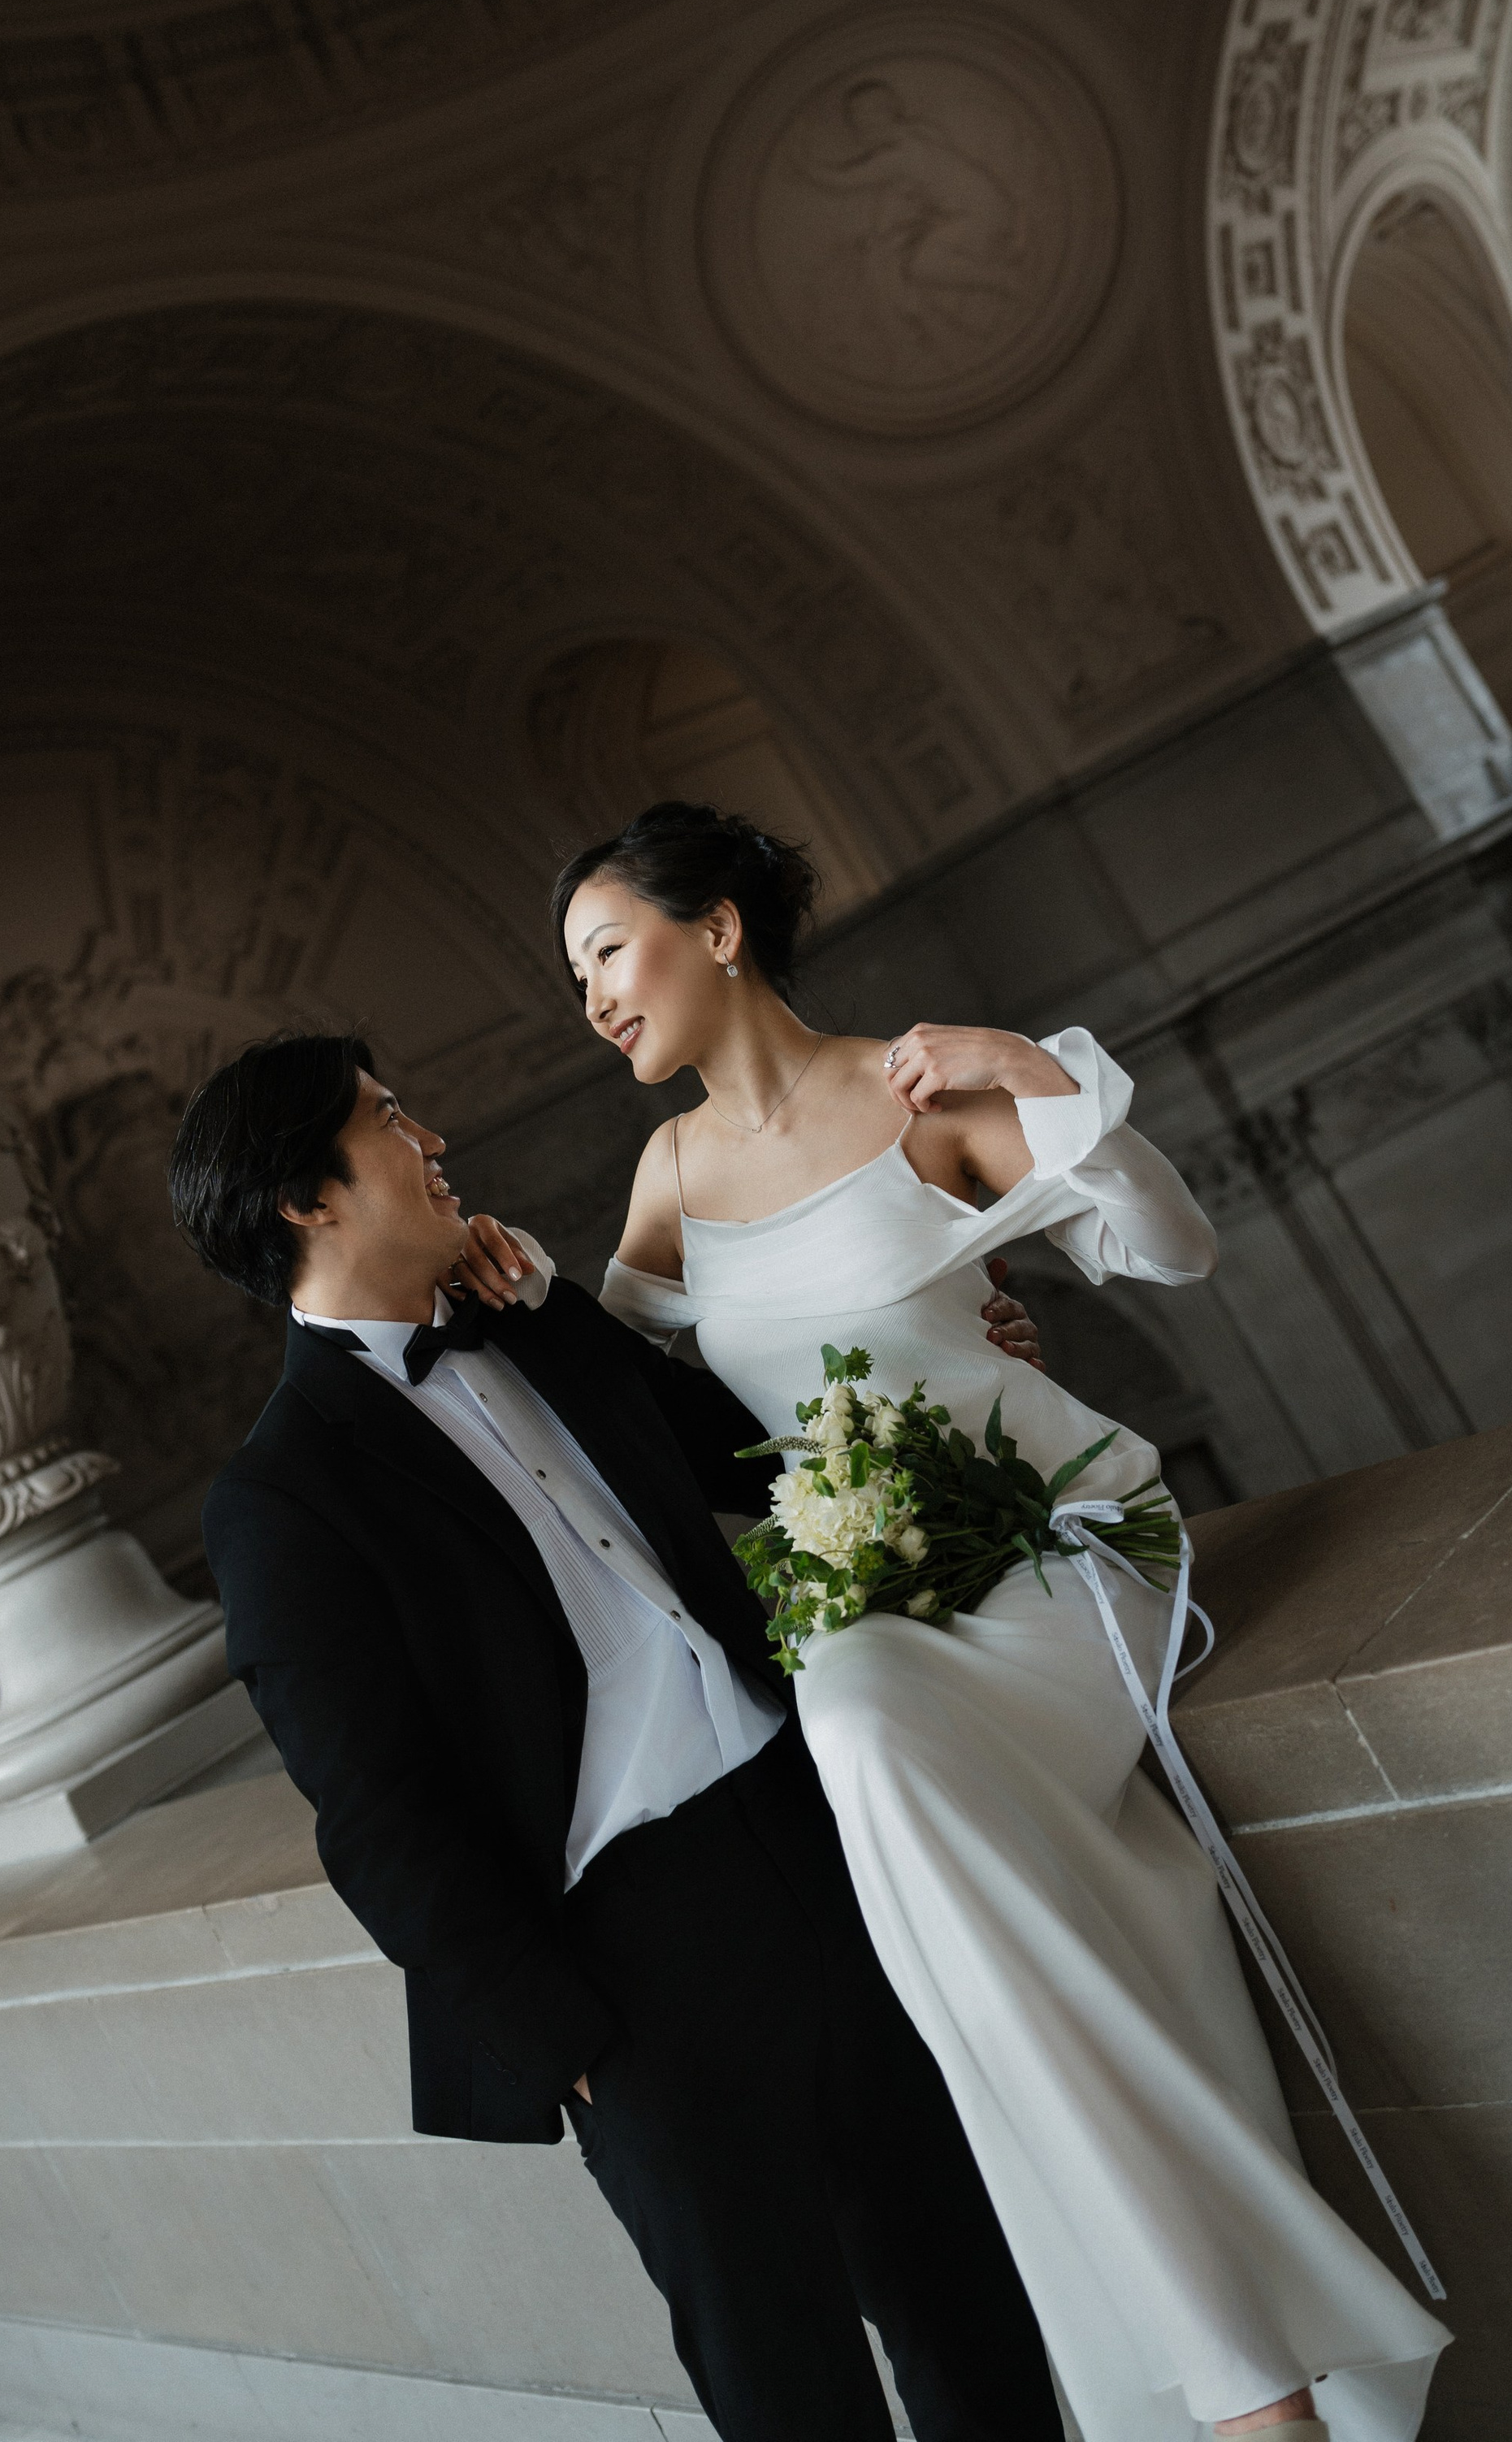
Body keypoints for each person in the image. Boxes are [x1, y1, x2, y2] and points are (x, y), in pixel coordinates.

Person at [476, 799, 1450, 2442]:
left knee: (891, 1786)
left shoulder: (912, 1088)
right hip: (874, 1612)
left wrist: (1027, 1067)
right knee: (878, 1777)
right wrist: (520, 1308)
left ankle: (1243, 2390)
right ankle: (1251, 2394)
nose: (591, 1000)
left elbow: (1170, 1244)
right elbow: (647, 1408)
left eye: (606, 951)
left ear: (715, 928)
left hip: (1060, 1549)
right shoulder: (666, 1177)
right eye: (571, 976)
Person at [175, 1033, 1064, 2442]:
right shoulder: (279, 1497)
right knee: (793, 2388)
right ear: (308, 1199)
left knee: (979, 2306)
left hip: (812, 1842)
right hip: (632, 1969)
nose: (433, 1136)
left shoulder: (530, 1321)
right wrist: (573, 2044)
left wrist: (956, 1351)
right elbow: (376, 1813)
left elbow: (751, 1453)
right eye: (392, 1120)